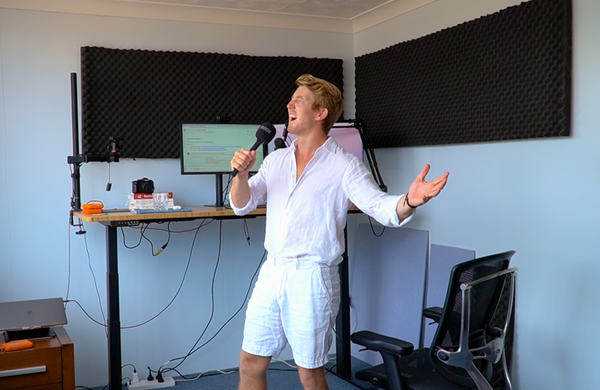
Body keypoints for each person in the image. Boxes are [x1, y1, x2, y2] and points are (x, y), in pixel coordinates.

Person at [229, 74, 449, 390]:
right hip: (272, 271)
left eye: (298, 100)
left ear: (320, 114)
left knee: (310, 374)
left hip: (312, 277)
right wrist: (240, 175)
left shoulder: (344, 166)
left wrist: (409, 200)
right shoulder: (276, 160)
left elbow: (382, 207)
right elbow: (242, 204)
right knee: (250, 363)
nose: (289, 105)